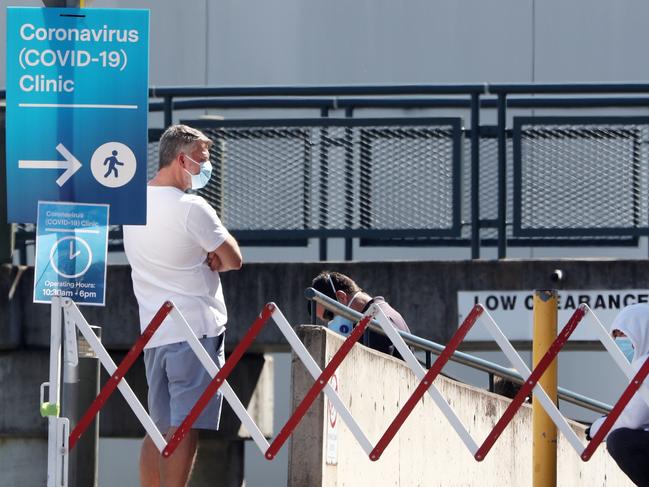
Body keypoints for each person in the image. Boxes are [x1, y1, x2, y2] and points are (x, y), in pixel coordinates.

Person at [123, 124, 242, 487]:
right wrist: (211, 254)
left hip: (155, 331)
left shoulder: (134, 203)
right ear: (181, 159)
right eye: (202, 160)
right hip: (195, 329)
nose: (206, 168)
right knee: (185, 424)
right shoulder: (191, 208)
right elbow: (234, 258)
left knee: (158, 428)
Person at [587, 303, 649, 486]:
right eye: (615, 336)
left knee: (620, 440)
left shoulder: (644, 365)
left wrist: (596, 428)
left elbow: (631, 419)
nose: (619, 341)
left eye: (623, 334)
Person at [310, 271, 410, 357]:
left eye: (329, 315)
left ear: (341, 297)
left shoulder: (374, 324)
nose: (331, 322)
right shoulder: (384, 311)